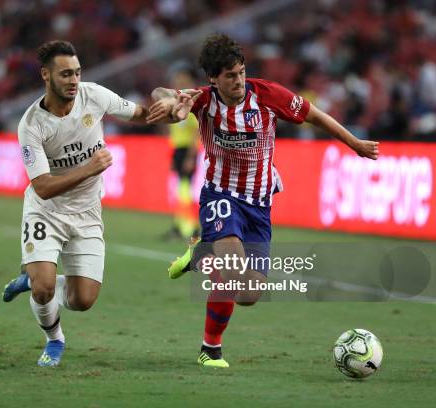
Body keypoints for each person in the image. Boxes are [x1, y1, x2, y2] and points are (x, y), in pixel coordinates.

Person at [147, 34, 379, 368]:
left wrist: (353, 142)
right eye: (229, 75)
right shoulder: (201, 100)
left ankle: (202, 254)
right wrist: (172, 103)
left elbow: (314, 114)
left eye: (241, 72)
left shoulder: (268, 95)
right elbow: (162, 94)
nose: (238, 80)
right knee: (233, 272)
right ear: (213, 78)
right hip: (220, 195)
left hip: (259, 203)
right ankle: (210, 349)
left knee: (249, 295)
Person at [1, 40, 192, 367]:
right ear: (46, 75)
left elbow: (145, 115)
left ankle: (31, 280)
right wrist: (89, 168)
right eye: (65, 74)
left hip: (87, 213)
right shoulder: (31, 124)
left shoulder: (95, 96)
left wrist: (173, 110)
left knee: (83, 300)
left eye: (76, 73)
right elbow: (43, 187)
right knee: (45, 289)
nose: (74, 80)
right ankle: (54, 339)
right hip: (46, 211)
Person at [163, 62, 201, 240]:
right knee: (181, 190)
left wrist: (191, 157)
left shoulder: (191, 104)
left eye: (182, 78)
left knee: (185, 190)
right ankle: (180, 226)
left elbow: (196, 133)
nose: (178, 81)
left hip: (187, 151)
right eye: (177, 79)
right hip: (178, 150)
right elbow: (174, 132)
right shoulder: (176, 103)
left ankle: (192, 228)